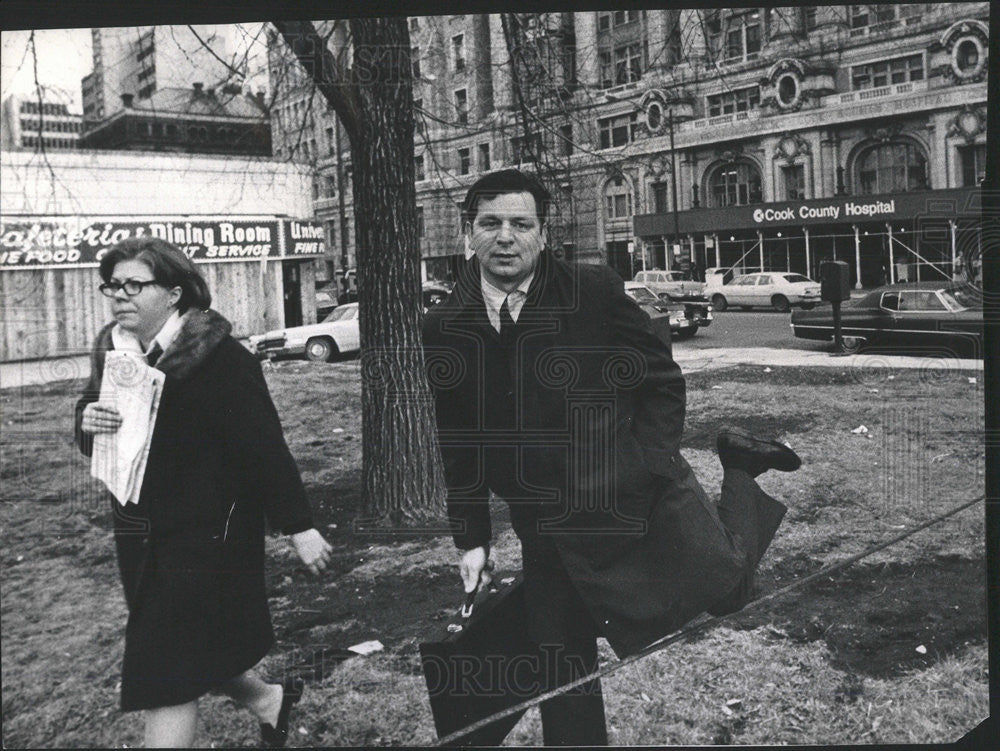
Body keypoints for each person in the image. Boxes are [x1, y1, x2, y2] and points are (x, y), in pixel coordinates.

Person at [422, 169, 801, 746]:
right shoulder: (445, 326)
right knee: (562, 664)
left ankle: (739, 470)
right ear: (468, 234)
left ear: (542, 234)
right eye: (490, 224)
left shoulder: (593, 291)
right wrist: (470, 538)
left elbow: (661, 380)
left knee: (728, 592)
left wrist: (649, 464)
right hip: (544, 528)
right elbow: (460, 439)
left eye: (520, 224)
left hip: (633, 495)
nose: (505, 237)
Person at [75, 237, 333, 748]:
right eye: (113, 286)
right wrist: (87, 420)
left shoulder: (220, 358)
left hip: (208, 537)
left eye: (134, 285)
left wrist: (299, 525)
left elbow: (263, 447)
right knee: (191, 648)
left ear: (173, 294)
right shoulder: (116, 351)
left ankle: (262, 702)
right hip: (142, 534)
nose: (119, 297)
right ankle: (268, 700)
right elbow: (93, 421)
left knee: (164, 668)